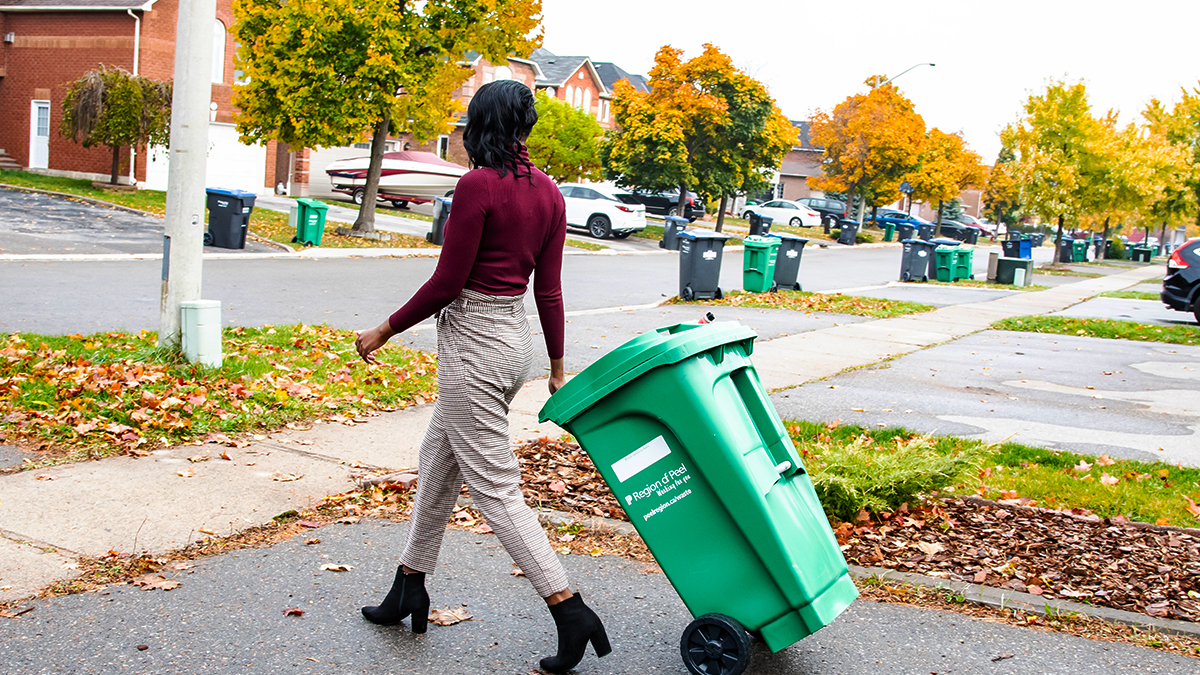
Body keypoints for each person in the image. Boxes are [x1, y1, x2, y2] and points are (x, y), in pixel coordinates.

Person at [353, 79, 610, 674]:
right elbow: (549, 288)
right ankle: (409, 584)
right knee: (438, 458)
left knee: (495, 487)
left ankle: (569, 609)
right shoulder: (549, 193)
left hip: (472, 344)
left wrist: (385, 329)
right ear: (525, 127)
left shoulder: (476, 187)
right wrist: (555, 365)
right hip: (513, 342)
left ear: (480, 125)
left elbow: (448, 284)